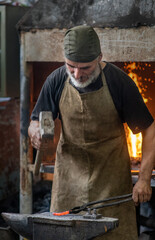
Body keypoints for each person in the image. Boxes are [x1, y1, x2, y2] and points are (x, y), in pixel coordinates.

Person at [28, 25, 155, 240]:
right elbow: (34, 121)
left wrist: (143, 179)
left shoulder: (119, 82)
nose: (77, 74)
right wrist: (35, 132)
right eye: (71, 66)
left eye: (85, 67)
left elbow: (149, 129)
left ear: (100, 58)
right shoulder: (56, 80)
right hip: (69, 179)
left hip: (111, 180)